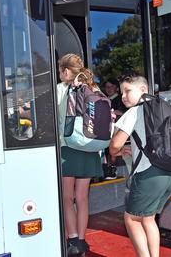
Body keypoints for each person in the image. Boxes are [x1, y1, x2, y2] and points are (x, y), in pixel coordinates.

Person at [109, 74, 171, 257]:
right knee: (148, 219)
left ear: (143, 90)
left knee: (131, 219)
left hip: (149, 175)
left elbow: (115, 145)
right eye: (122, 92)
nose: (123, 96)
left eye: (128, 91)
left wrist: (115, 151)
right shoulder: (165, 108)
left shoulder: (133, 112)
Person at [57, 53, 103, 256]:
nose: (59, 75)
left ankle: (73, 239)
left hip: (68, 147)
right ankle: (83, 241)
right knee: (82, 197)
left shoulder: (60, 90)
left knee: (67, 197)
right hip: (90, 148)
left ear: (66, 71)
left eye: (60, 71)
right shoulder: (94, 88)